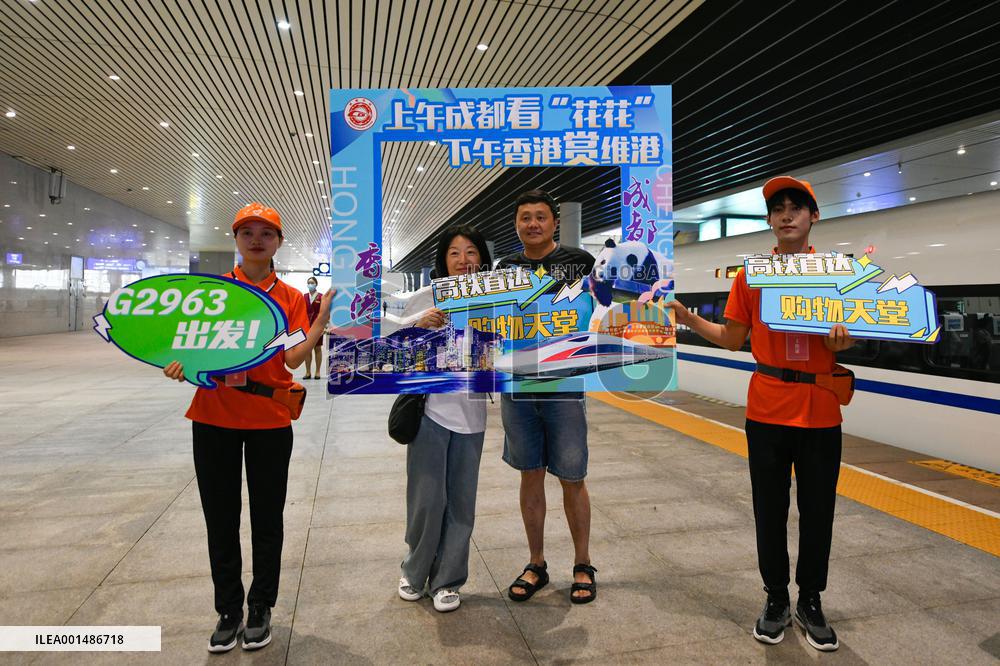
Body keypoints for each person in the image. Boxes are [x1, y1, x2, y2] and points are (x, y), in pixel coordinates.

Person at [666, 177, 853, 652]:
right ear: (770, 221)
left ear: (814, 217)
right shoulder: (750, 276)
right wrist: (689, 320)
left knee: (818, 513)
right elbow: (733, 339)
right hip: (767, 409)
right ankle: (775, 598)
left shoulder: (839, 272)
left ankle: (810, 599)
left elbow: (854, 332)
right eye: (779, 209)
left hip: (821, 411)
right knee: (768, 511)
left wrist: (844, 340)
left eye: (797, 207)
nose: (787, 215)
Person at [163, 203, 334, 653]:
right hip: (213, 416)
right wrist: (181, 365)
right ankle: (227, 609)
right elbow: (188, 345)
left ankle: (260, 606)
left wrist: (319, 321)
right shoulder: (213, 292)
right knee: (220, 518)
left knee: (266, 516)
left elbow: (293, 359)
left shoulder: (292, 297)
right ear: (236, 239)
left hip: (269, 420)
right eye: (248, 232)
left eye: (266, 233)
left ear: (278, 242)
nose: (257, 239)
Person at [495, 190, 598, 604]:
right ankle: (536, 562)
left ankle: (583, 563)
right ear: (516, 225)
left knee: (573, 476)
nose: (533, 224)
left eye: (540, 217)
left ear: (554, 223)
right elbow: (491, 320)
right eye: (525, 218)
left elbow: (607, 311)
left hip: (565, 388)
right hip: (518, 388)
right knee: (529, 473)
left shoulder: (582, 263)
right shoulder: (507, 269)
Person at [383, 225, 493, 612]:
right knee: (427, 499)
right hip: (430, 411)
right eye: (454, 253)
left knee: (462, 503)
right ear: (443, 262)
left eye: (471, 252)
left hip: (473, 414)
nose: (464, 260)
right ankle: (415, 571)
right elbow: (385, 334)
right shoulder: (425, 296)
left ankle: (448, 579)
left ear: (482, 258)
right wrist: (417, 324)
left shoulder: (496, 297)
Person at [302, 276, 325, 379]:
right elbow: (301, 312)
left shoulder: (321, 297)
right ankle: (307, 372)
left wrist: (324, 327)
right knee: (307, 350)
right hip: (306, 326)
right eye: (309, 282)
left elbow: (324, 313)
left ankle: (318, 371)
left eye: (312, 283)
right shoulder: (304, 297)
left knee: (317, 348)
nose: (310, 284)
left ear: (316, 284)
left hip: (317, 326)